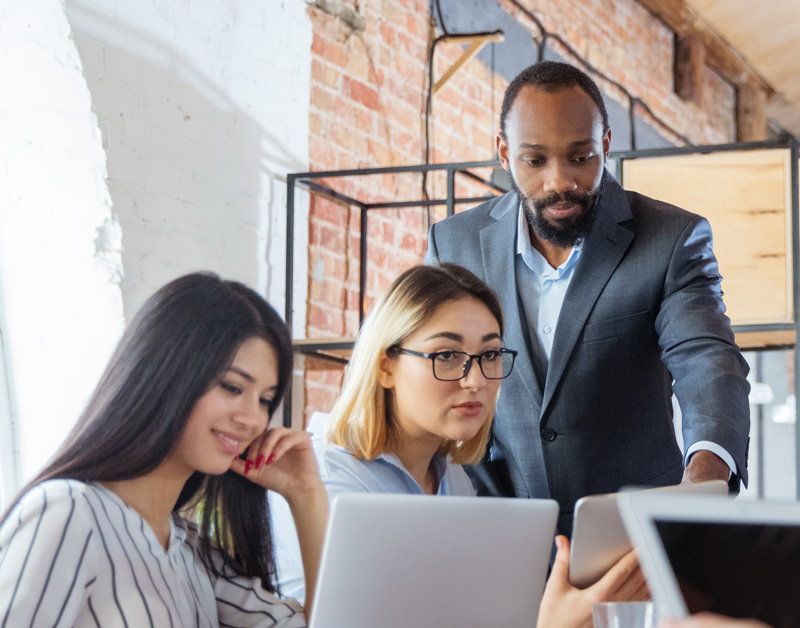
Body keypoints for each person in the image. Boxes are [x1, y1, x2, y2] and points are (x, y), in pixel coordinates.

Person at [426, 60, 751, 536]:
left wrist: (704, 479)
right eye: (534, 160)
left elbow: (708, 361)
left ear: (604, 144)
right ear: (503, 153)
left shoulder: (670, 238)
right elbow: (435, 373)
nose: (559, 181)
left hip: (638, 532)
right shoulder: (453, 244)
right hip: (498, 529)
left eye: (580, 157)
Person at [272, 263, 648, 628]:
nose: (475, 380)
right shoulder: (322, 478)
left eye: (489, 355)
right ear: (386, 367)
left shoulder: (452, 477)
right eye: (447, 356)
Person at [0, 272, 328, 627]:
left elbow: (330, 623)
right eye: (232, 387)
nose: (252, 419)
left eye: (265, 400)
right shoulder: (67, 514)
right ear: (169, 374)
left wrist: (306, 494)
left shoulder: (195, 554)